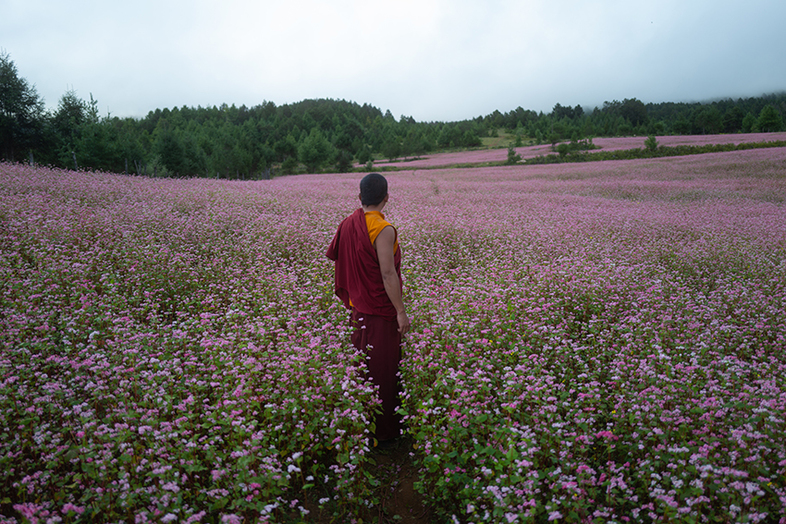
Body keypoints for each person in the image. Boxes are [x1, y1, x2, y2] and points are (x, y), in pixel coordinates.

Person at [326, 173, 410, 443]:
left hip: (359, 309)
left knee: (364, 367)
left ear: (360, 197)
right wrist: (400, 310)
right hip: (380, 312)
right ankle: (384, 435)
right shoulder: (383, 228)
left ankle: (362, 426)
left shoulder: (348, 224)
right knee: (383, 370)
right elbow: (387, 274)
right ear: (387, 197)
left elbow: (340, 259)